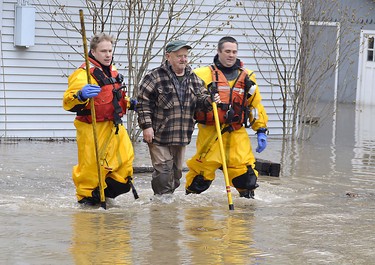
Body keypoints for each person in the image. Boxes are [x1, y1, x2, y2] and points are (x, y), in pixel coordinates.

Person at [185, 36, 269, 199]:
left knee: (245, 175)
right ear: (219, 51)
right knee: (200, 177)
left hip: (237, 134)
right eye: (227, 51)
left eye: (234, 52)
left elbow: (255, 106)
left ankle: (243, 216)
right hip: (211, 133)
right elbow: (190, 101)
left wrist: (261, 129)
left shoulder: (247, 77)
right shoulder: (202, 75)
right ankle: (193, 212)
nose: (231, 55)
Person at [63, 33, 137, 206]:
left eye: (110, 50)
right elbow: (67, 101)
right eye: (103, 51)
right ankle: (88, 202)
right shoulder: (82, 75)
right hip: (92, 128)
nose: (108, 54)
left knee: (125, 163)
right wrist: (80, 95)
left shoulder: (113, 71)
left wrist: (130, 103)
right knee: (91, 169)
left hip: (114, 126)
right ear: (93, 52)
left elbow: (114, 97)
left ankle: (105, 194)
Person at [137, 40, 214, 196]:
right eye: (179, 56)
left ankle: (167, 208)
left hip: (181, 135)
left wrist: (210, 100)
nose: (183, 59)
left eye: (185, 56)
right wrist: (146, 126)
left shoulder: (194, 79)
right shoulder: (154, 77)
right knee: (164, 172)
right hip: (159, 134)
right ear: (168, 56)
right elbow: (142, 103)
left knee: (176, 174)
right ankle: (161, 204)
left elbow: (201, 100)